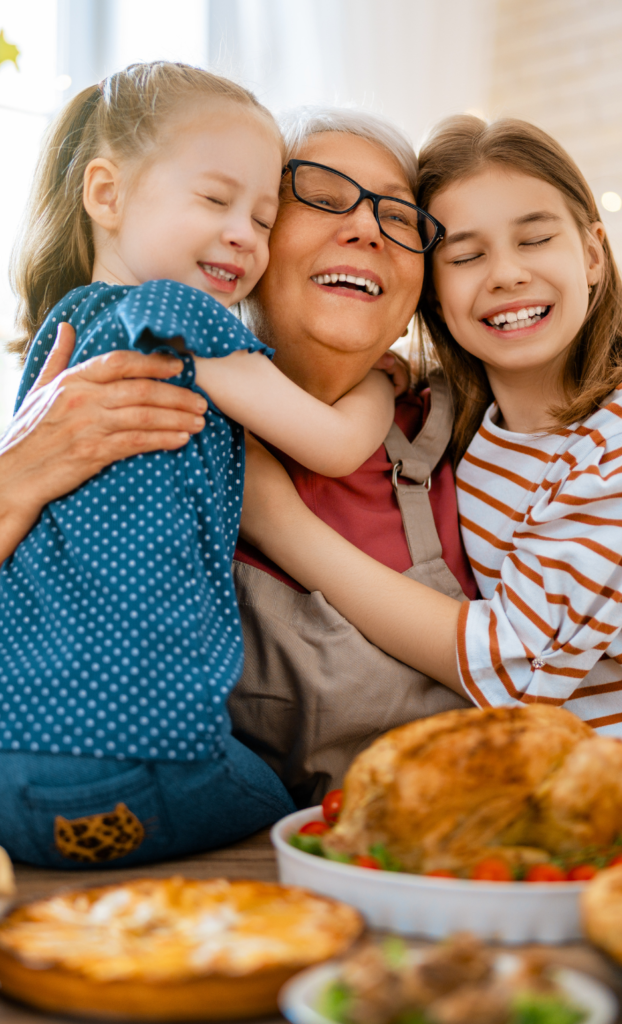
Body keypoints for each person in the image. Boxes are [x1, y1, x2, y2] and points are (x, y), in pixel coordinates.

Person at [1, 105, 476, 812]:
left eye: (400, 218)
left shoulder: (478, 432)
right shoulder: (105, 412)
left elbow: (536, 667)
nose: (367, 227)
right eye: (318, 192)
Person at [239, 115, 622, 752]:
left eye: (536, 239)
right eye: (466, 256)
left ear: (593, 255)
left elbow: (517, 670)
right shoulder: (457, 416)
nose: (506, 275)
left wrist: (275, 518)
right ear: (432, 294)